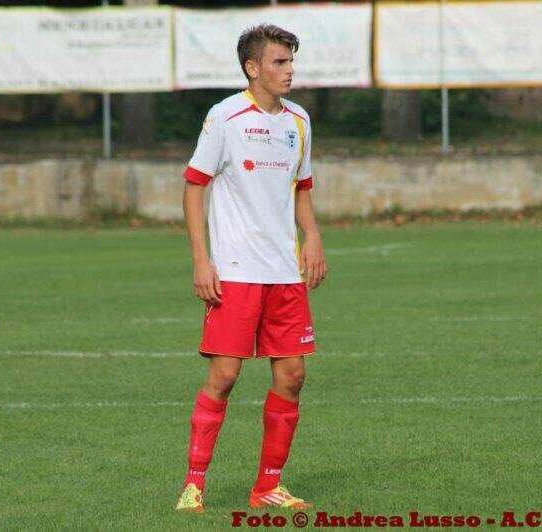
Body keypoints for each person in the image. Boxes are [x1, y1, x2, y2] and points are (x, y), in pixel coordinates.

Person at [175, 24, 326, 513]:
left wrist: (314, 238)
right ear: (252, 67)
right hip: (236, 271)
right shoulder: (226, 116)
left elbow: (301, 188)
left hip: (285, 273)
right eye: (279, 62)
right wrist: (202, 259)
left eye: (291, 62)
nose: (289, 71)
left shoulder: (299, 120)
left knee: (294, 375)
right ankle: (194, 484)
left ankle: (267, 486)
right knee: (224, 375)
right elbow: (194, 187)